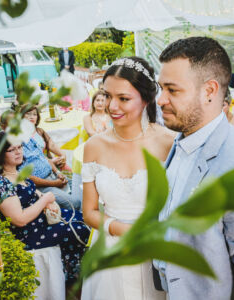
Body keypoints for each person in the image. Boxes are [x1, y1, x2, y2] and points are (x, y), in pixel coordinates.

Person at [81, 57, 175, 300]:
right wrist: (123, 230)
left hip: (156, 252)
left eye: (123, 98)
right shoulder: (93, 146)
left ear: (146, 99)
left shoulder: (169, 142)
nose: (112, 106)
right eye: (107, 95)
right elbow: (89, 211)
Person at [155, 36, 234, 300]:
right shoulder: (181, 141)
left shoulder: (233, 163)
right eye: (160, 88)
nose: (160, 100)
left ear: (210, 91)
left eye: (173, 90)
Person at [0, 131, 89, 284]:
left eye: (19, 147)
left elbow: (33, 191)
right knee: (79, 229)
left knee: (80, 217)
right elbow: (19, 219)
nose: (18, 152)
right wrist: (45, 199)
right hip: (28, 233)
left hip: (39, 220)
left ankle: (70, 267)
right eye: (12, 150)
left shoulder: (15, 171)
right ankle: (71, 273)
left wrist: (46, 202)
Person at [20, 105, 81, 210]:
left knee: (80, 185)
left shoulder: (38, 132)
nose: (31, 117)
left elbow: (49, 148)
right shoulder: (18, 143)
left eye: (34, 114)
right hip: (42, 183)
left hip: (51, 170)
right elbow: (25, 176)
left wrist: (60, 161)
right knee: (75, 202)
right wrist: (54, 182)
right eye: (28, 114)